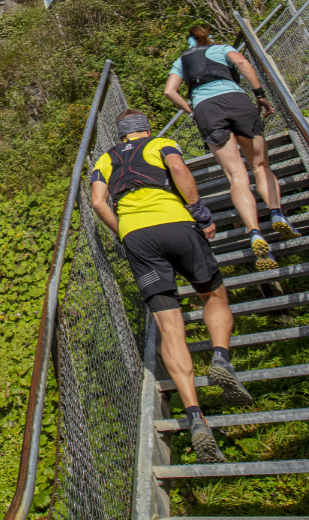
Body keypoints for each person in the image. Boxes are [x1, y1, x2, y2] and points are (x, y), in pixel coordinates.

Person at [89, 108, 253, 464]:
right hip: (176, 224)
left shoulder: (105, 158)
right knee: (212, 294)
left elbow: (97, 202)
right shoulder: (161, 143)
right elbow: (178, 170)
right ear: (145, 129)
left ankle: (195, 415)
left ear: (121, 136)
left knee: (169, 325)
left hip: (136, 236)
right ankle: (221, 357)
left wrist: (125, 233)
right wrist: (199, 210)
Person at [164, 24, 296, 271]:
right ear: (207, 39)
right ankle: (277, 213)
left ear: (189, 44)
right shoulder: (222, 48)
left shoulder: (181, 61)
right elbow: (244, 64)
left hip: (206, 109)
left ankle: (254, 232)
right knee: (259, 165)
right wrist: (259, 95)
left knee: (236, 177)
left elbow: (169, 91)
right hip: (236, 101)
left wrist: (193, 110)